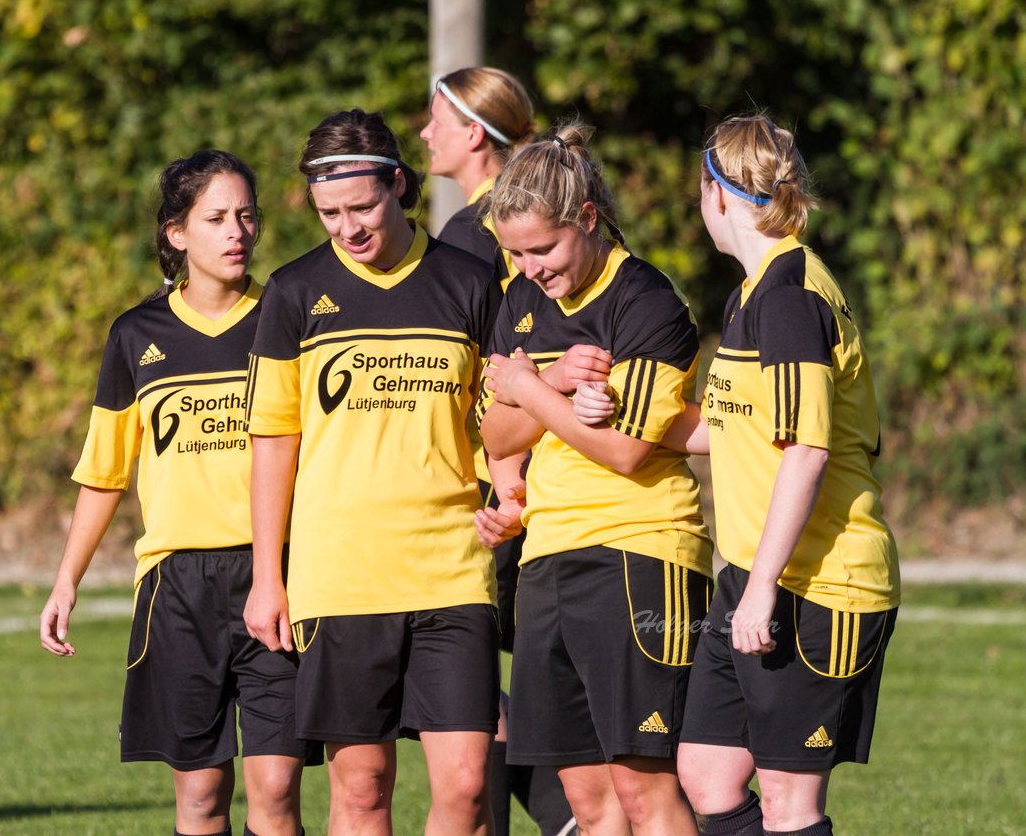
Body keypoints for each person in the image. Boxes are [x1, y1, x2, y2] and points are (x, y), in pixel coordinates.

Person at [581, 113, 899, 836]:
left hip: (817, 583)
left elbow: (807, 452)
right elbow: (731, 430)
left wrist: (760, 591)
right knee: (707, 772)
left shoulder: (790, 295)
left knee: (789, 802)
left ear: (715, 193)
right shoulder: (754, 292)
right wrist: (622, 414)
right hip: (753, 574)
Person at [39, 150, 314, 836]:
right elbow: (105, 472)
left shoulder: (287, 317)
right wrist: (66, 580)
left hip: (276, 575)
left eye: (247, 216)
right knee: (199, 797)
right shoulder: (137, 335)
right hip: (178, 586)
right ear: (176, 233)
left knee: (277, 788)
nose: (236, 232)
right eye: (216, 218)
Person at [244, 109, 501, 835]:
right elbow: (273, 440)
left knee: (468, 786)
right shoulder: (293, 294)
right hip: (341, 573)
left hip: (453, 567)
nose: (347, 226)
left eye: (361, 206)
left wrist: (512, 495)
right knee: (361, 791)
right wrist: (269, 576)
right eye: (330, 213)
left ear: (397, 183)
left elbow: (503, 423)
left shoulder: (469, 282)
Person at [477, 125, 712, 836]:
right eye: (514, 253)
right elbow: (493, 434)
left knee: (645, 791)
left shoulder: (646, 302)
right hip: (547, 556)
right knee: (586, 802)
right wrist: (546, 382)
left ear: (586, 219)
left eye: (541, 249)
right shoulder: (518, 301)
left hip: (641, 553)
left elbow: (624, 452)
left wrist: (525, 386)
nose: (529, 268)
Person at [421, 66, 586, 836]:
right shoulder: (536, 214)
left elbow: (492, 372)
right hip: (528, 469)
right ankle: (570, 811)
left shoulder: (477, 232)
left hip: (499, 480)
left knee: (468, 688)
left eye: (435, 120)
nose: (424, 134)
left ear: (474, 132)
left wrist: (500, 479)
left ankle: (564, 811)